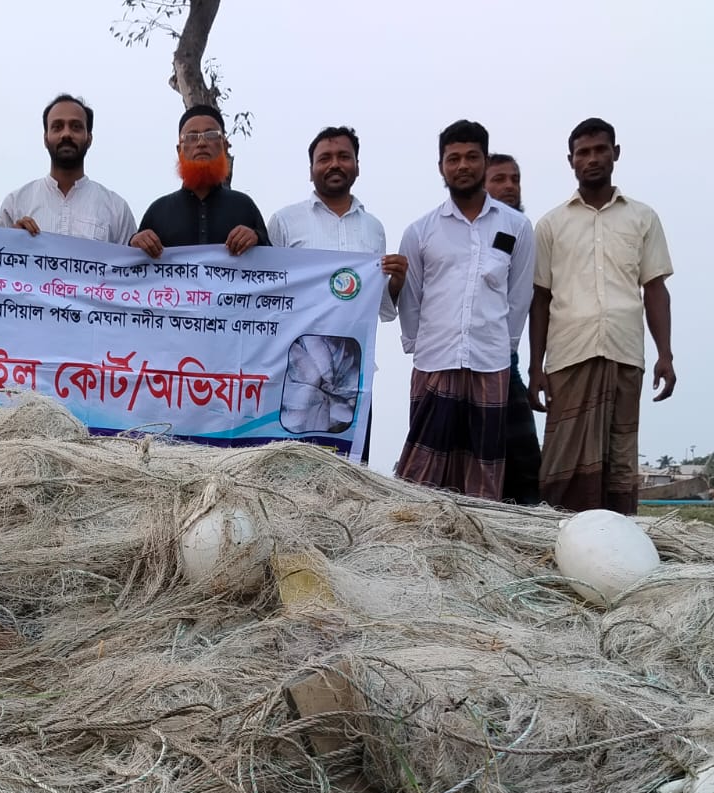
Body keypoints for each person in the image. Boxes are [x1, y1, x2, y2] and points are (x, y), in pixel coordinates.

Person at [528, 117, 675, 514]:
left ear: (615, 154)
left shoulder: (642, 218)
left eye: (599, 150)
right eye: (583, 153)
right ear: (571, 161)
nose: (592, 159)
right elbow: (539, 299)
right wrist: (534, 367)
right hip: (567, 356)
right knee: (563, 455)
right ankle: (561, 535)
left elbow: (656, 289)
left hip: (625, 353)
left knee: (620, 454)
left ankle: (619, 539)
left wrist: (666, 354)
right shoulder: (550, 225)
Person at [394, 120, 534, 499]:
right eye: (453, 158)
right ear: (441, 166)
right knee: (422, 472)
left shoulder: (517, 227)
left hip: (491, 363)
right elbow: (411, 298)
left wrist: (504, 349)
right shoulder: (420, 231)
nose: (462, 166)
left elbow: (519, 296)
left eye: (472, 157)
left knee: (483, 470)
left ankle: (476, 547)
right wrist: (416, 345)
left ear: (485, 162)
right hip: (434, 360)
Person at [267, 125, 408, 460]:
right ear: (311, 168)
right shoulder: (286, 222)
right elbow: (269, 295)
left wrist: (397, 280)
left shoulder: (372, 227)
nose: (334, 164)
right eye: (324, 158)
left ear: (357, 165)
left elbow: (382, 309)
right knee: (290, 468)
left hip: (354, 373)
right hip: (297, 372)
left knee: (351, 471)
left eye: (343, 156)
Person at [131, 105, 269, 257]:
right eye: (191, 137)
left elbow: (275, 267)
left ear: (224, 146)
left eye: (211, 135)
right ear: (179, 150)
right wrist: (135, 243)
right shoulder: (158, 211)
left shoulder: (244, 206)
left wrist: (257, 238)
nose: (201, 143)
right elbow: (131, 270)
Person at [484, 153, 543, 505]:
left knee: (522, 460)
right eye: (499, 179)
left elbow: (529, 300)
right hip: (467, 359)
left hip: (507, 359)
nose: (509, 186)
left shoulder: (522, 230)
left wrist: (530, 363)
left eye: (515, 179)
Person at [0, 94, 136, 243]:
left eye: (76, 127)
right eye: (57, 127)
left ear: (89, 139)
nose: (66, 134)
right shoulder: (15, 204)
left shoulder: (116, 209)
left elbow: (132, 263)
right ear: (45, 139)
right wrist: (12, 240)